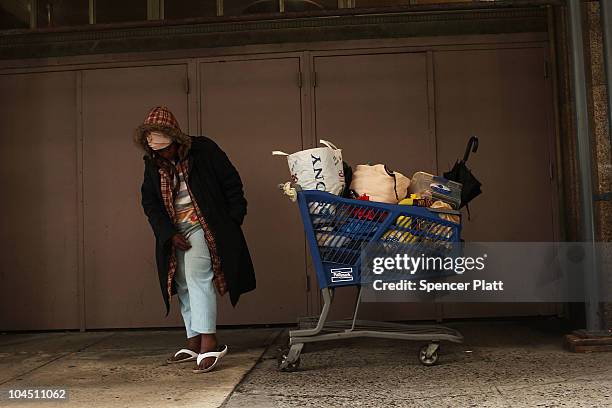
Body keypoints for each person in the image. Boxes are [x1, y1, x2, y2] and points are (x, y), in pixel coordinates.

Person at [135, 106, 256, 373]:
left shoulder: (204, 150)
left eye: (166, 149)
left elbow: (231, 182)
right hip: (175, 230)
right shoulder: (153, 163)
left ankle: (209, 341)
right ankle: (194, 338)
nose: (162, 155)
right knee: (181, 281)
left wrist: (233, 219)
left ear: (177, 140)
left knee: (197, 275)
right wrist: (167, 233)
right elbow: (150, 203)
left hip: (205, 225)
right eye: (156, 151)